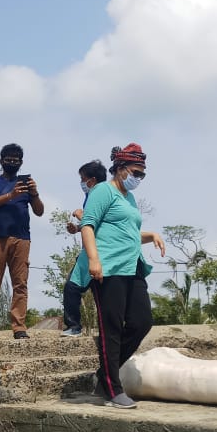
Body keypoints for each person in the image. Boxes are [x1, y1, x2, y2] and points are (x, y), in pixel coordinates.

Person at [78, 143, 165, 409]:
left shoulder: (129, 198)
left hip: (133, 267)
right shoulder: (102, 191)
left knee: (142, 321)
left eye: (142, 174)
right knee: (112, 327)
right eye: (136, 172)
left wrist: (150, 235)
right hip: (109, 268)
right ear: (120, 168)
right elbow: (88, 225)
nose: (138, 178)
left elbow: (128, 231)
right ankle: (112, 387)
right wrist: (94, 259)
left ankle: (104, 374)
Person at [0, 143, 44, 341]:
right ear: (1, 161)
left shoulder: (25, 184)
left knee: (20, 284)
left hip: (21, 238)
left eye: (16, 160)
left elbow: (39, 211)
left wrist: (34, 193)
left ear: (21, 162)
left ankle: (19, 327)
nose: (12, 163)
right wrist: (10, 195)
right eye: (9, 160)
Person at [61, 160, 108, 337]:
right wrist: (77, 228)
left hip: (96, 250)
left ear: (92, 180)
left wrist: (82, 216)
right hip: (96, 250)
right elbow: (92, 223)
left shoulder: (100, 195)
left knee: (72, 287)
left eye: (83, 179)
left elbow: (101, 222)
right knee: (101, 294)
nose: (81, 183)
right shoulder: (93, 195)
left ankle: (74, 326)